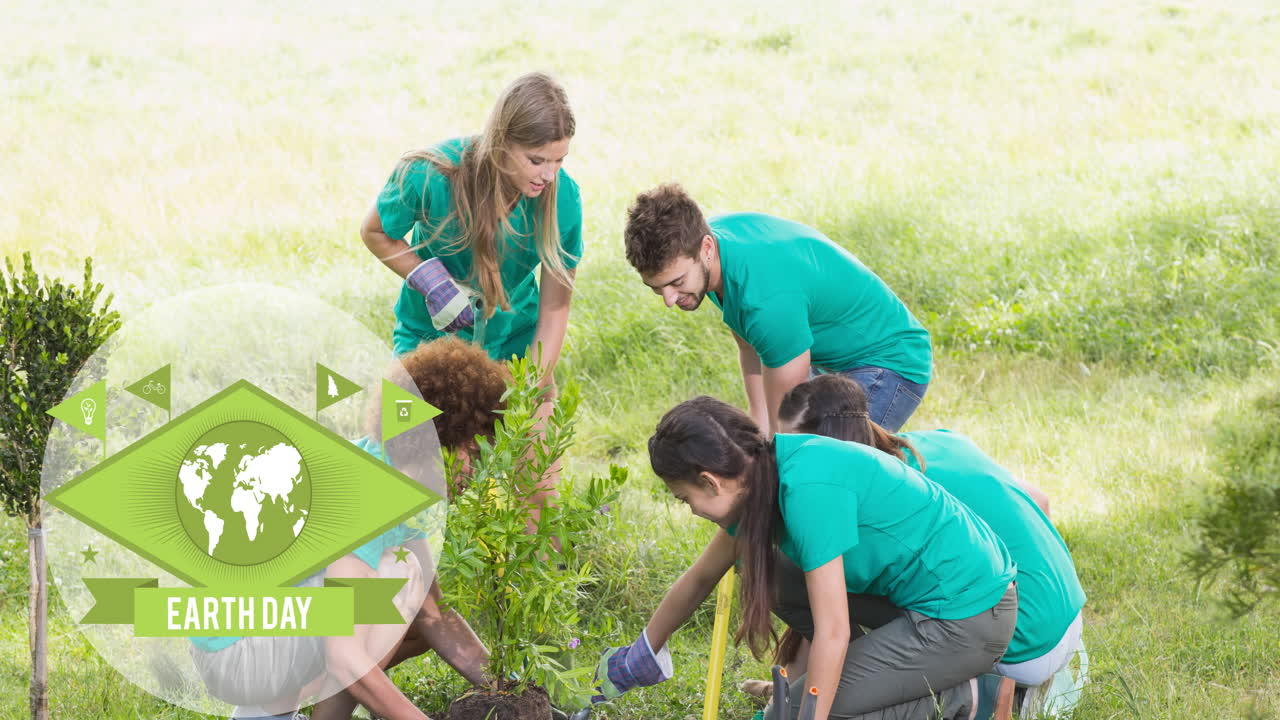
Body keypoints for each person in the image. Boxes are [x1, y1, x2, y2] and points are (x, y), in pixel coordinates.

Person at [594, 396, 1019, 720]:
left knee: (795, 713)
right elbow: (701, 577)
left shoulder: (808, 491)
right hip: (923, 601)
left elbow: (832, 630)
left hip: (967, 617)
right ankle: (878, 675)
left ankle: (970, 698)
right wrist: (641, 652)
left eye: (685, 499)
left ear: (710, 481)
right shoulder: (762, 473)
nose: (691, 511)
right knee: (765, 570)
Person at [190, 339, 508, 720]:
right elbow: (344, 658)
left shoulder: (396, 473)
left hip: (242, 636)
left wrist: (510, 690)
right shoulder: (369, 494)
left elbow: (434, 616)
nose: (478, 471)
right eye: (474, 453)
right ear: (442, 435)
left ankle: (263, 714)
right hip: (234, 651)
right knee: (400, 575)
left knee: (413, 599)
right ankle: (278, 712)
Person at [768, 374, 1086, 710]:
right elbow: (1040, 500)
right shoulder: (933, 443)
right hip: (1067, 620)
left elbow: (828, 601)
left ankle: (975, 694)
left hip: (1018, 641)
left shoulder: (879, 498)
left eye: (798, 449)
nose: (788, 467)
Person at [622, 184, 931, 435]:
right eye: (656, 287)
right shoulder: (711, 252)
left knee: (824, 467)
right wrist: (759, 423)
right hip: (831, 357)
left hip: (888, 362)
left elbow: (788, 429)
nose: (668, 299)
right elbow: (750, 342)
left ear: (706, 249)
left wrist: (773, 445)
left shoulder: (766, 299)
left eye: (676, 282)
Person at [360, 72, 582, 393]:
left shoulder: (563, 199)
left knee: (530, 425)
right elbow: (374, 231)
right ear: (502, 143)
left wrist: (528, 386)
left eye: (559, 160)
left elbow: (555, 308)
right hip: (428, 339)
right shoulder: (431, 175)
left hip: (514, 342)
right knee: (406, 425)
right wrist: (428, 279)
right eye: (536, 160)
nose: (549, 175)